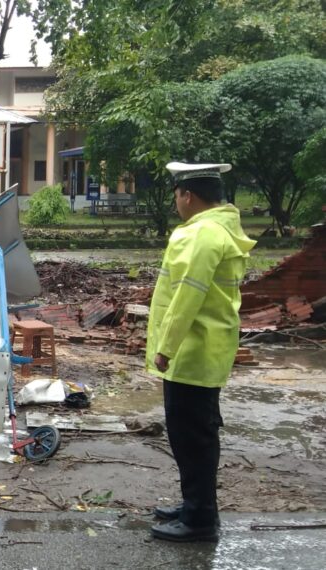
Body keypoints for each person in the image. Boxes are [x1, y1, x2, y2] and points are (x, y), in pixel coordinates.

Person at [146, 161, 256, 542]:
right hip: (198, 349)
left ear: (188, 195)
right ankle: (194, 505)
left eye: (177, 196)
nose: (176, 203)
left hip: (192, 350)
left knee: (193, 436)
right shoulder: (210, 229)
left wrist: (166, 348)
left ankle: (200, 519)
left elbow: (187, 296)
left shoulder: (204, 235)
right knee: (190, 434)